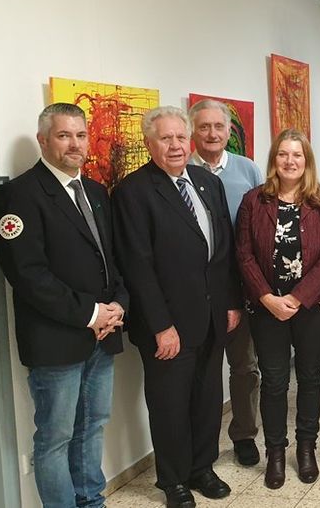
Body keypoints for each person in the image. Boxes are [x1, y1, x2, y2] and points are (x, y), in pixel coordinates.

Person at [0, 103, 127, 508]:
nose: (75, 144)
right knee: (54, 438)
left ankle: (91, 501)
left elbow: (112, 261)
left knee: (94, 426)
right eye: (64, 135)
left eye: (80, 135)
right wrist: (92, 313)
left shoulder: (98, 192)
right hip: (55, 342)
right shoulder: (18, 196)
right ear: (43, 140)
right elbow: (29, 276)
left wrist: (117, 305)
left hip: (102, 338)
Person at [113, 106, 242, 508]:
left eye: (180, 138)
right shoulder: (133, 192)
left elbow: (224, 251)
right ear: (150, 144)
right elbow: (137, 265)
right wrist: (160, 325)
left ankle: (202, 467)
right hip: (167, 325)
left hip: (211, 316)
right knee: (169, 405)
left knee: (207, 398)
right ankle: (172, 480)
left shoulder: (205, 182)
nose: (175, 146)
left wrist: (231, 302)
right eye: (165, 138)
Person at [235, 129, 320, 489]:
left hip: (312, 306)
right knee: (275, 381)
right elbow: (244, 253)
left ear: (307, 161)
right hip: (267, 308)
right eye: (283, 154)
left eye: (297, 155)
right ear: (274, 160)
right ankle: (276, 453)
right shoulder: (255, 201)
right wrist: (267, 297)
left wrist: (298, 298)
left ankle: (306, 447)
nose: (290, 161)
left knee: (311, 377)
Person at [188, 98, 264, 467]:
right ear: (192, 132)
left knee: (245, 366)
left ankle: (244, 435)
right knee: (200, 370)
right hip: (198, 291)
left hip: (242, 285)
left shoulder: (248, 169)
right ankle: (198, 441)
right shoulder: (179, 170)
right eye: (204, 127)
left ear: (229, 131)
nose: (212, 134)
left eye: (219, 126)